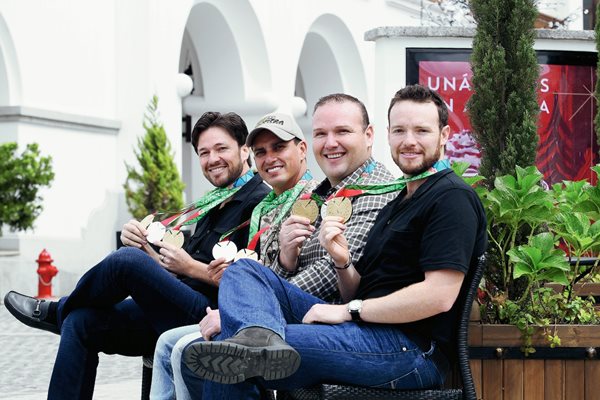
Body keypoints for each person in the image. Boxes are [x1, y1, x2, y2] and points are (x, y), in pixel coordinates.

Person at [180, 84, 488, 399]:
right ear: (387, 135)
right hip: (366, 332)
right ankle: (256, 336)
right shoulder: (401, 200)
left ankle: (254, 342)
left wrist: (349, 311)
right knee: (244, 270)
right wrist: (342, 262)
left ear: (445, 135)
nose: (409, 141)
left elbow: (439, 296)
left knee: (229, 356)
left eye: (421, 131)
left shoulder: (451, 197)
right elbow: (357, 288)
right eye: (399, 131)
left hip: (409, 350)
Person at [3, 111, 271, 400]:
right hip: (175, 306)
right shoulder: (214, 203)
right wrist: (148, 253)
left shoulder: (260, 203)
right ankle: (67, 313)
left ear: (245, 150)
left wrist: (186, 266)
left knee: (125, 262)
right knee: (81, 321)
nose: (212, 159)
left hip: (212, 315)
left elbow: (257, 285)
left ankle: (57, 310)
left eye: (221, 149)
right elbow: (177, 272)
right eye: (204, 153)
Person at [152, 94, 397, 399]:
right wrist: (286, 257)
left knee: (223, 346)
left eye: (342, 131)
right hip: (309, 315)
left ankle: (248, 328)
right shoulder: (318, 195)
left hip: (339, 321)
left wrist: (243, 309)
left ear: (369, 135)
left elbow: (327, 274)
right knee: (208, 338)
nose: (331, 142)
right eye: (322, 133)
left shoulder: (374, 191)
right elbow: (285, 269)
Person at [149, 111, 319, 399]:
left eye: (279, 147)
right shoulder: (267, 206)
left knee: (190, 349)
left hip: (281, 317)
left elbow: (309, 281)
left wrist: (236, 312)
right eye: (262, 151)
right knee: (168, 343)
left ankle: (60, 309)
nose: (269, 158)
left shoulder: (311, 200)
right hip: (243, 309)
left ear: (302, 149)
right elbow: (258, 273)